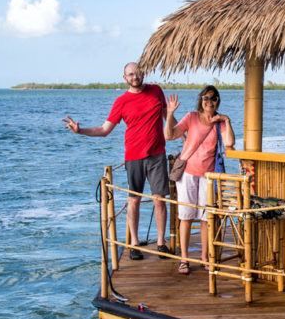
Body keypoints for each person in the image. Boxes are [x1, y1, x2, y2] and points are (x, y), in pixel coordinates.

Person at [63, 62, 170, 261]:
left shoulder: (156, 91)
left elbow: (167, 118)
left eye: (137, 73)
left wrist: (184, 136)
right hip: (134, 156)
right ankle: (135, 244)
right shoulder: (121, 101)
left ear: (143, 73)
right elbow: (104, 130)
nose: (135, 77)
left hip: (157, 154)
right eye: (130, 74)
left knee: (160, 200)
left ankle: (162, 243)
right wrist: (80, 131)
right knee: (134, 200)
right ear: (125, 78)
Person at [164, 86, 235, 275]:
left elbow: (229, 143)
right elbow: (169, 135)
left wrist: (226, 120)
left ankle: (204, 256)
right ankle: (184, 258)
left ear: (218, 101)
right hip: (188, 173)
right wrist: (170, 114)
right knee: (186, 216)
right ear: (201, 100)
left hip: (208, 175)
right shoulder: (192, 117)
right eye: (206, 98)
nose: (209, 102)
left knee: (206, 218)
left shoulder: (219, 122)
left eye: (213, 98)